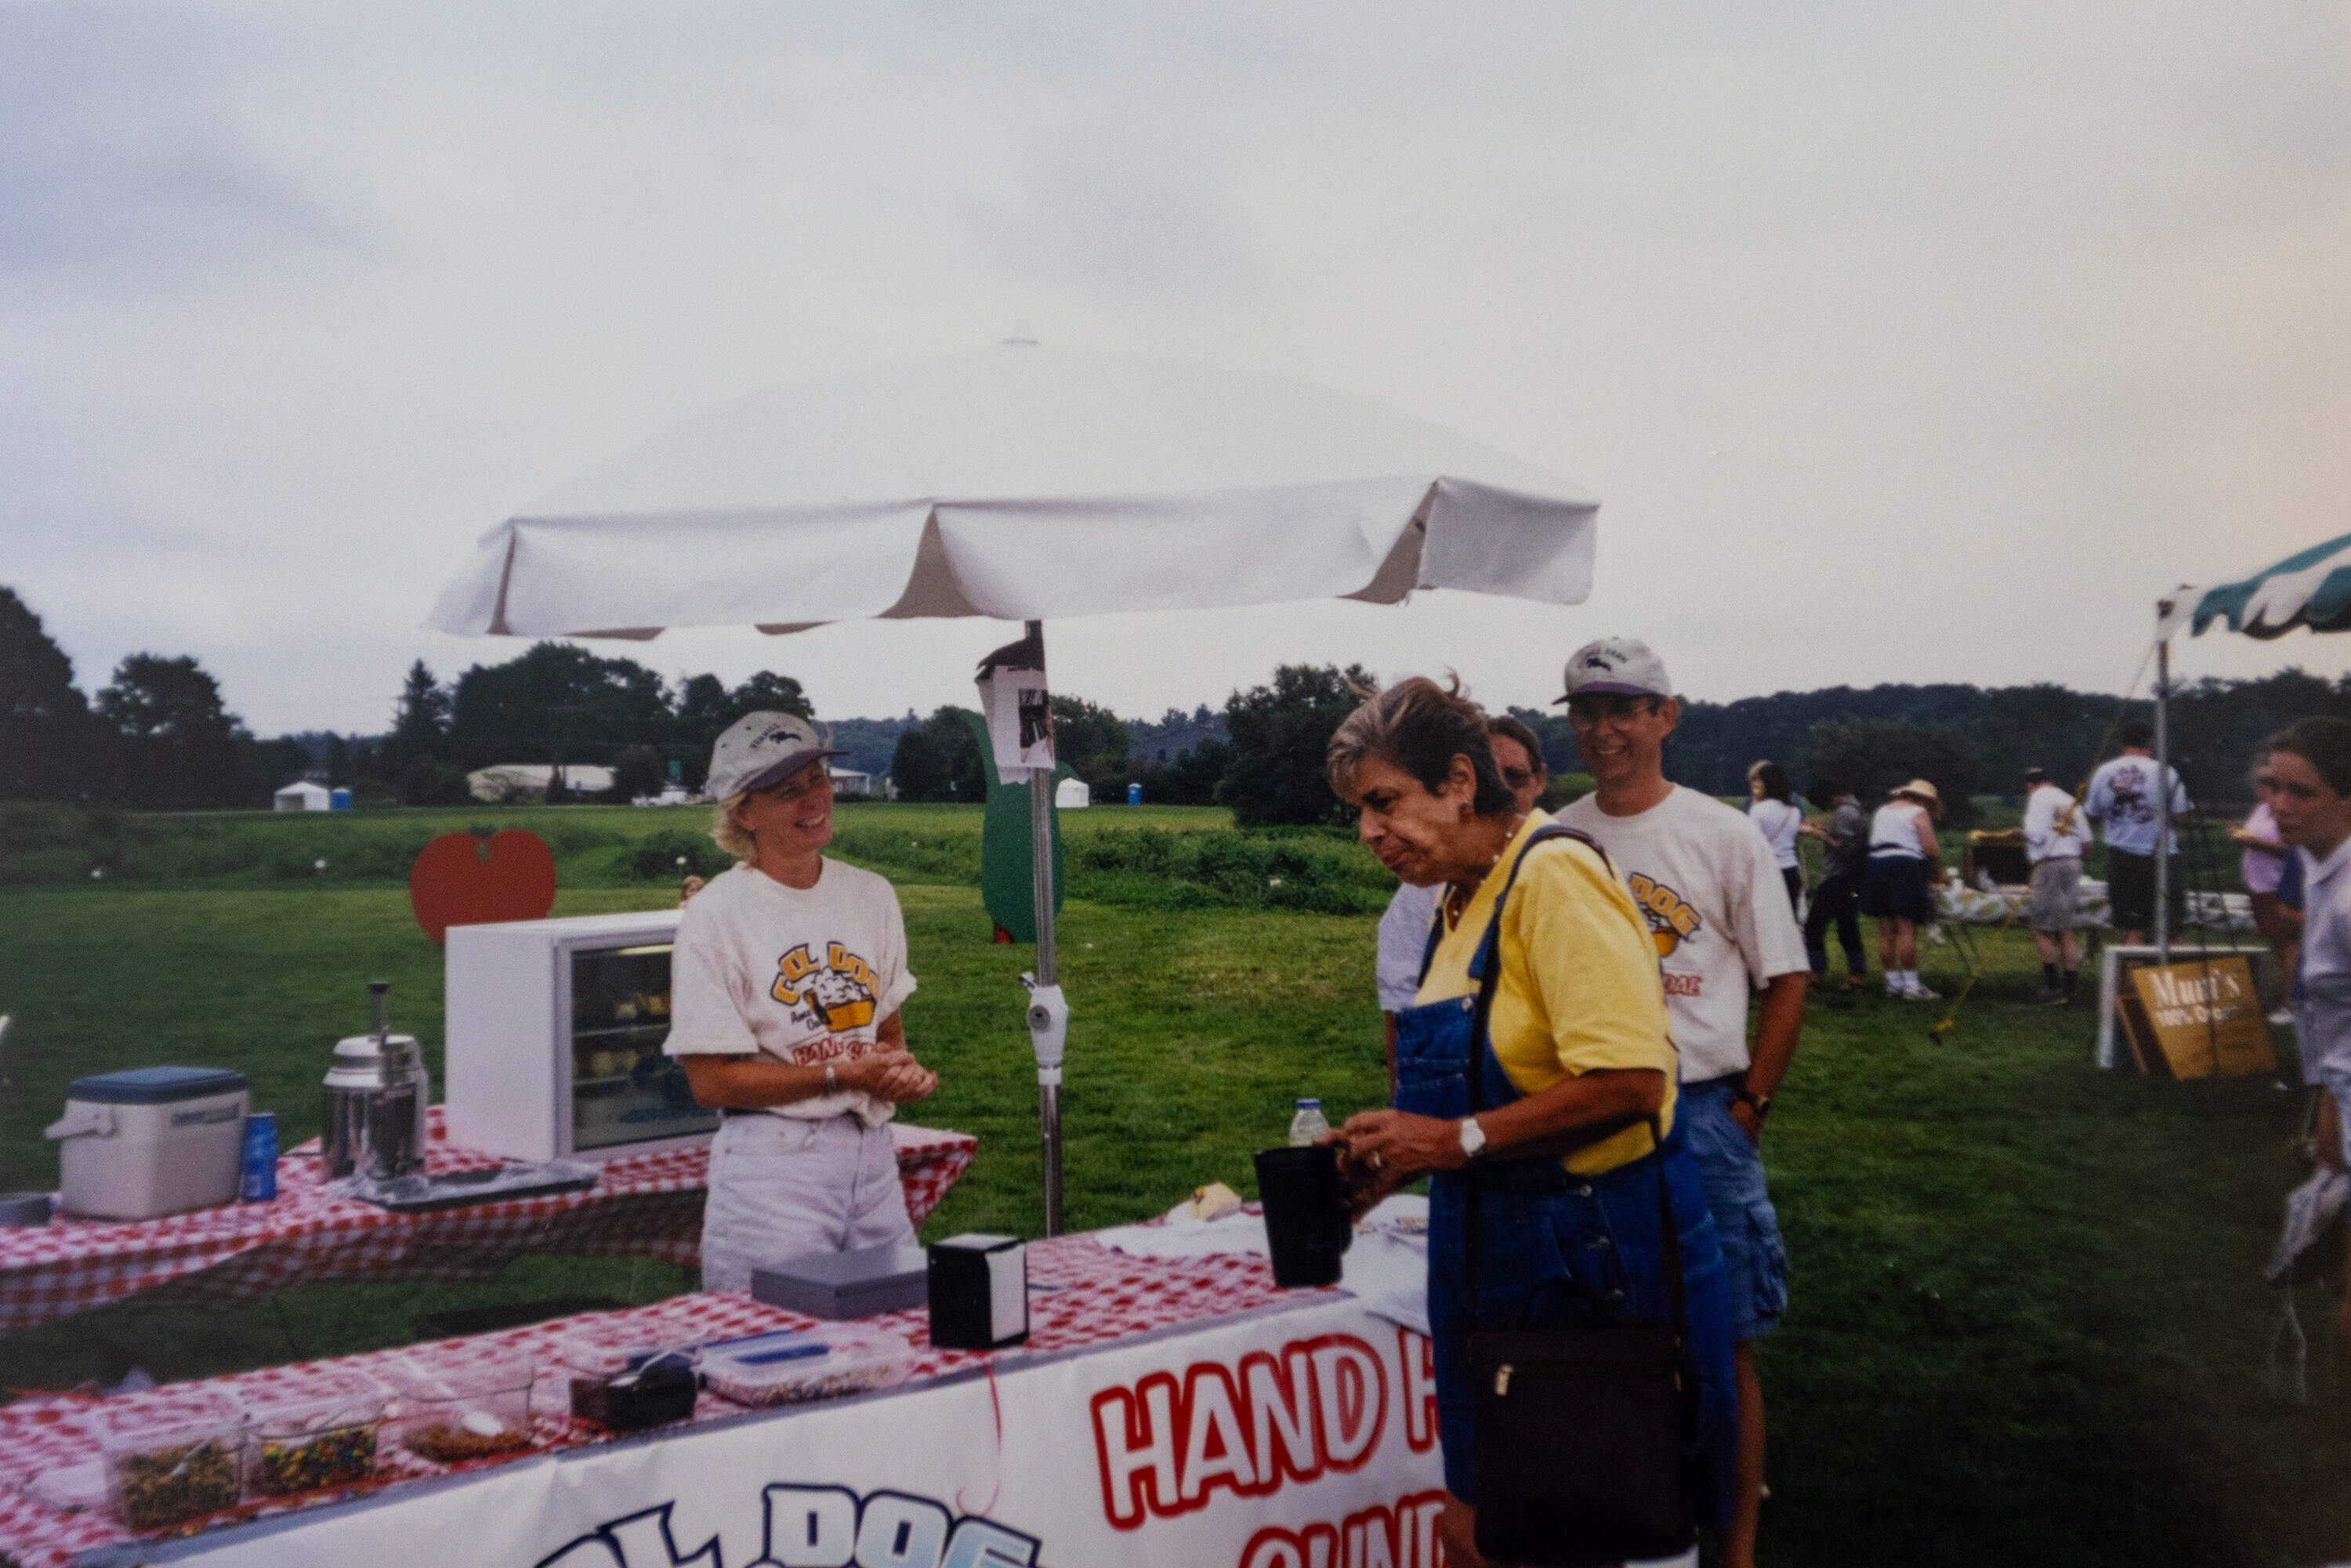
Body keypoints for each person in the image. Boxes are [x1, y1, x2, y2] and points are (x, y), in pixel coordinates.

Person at [1325, 676, 1736, 1568]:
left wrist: (1455, 1141)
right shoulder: (1457, 897)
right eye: (1361, 811)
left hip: (1587, 1262)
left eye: (1384, 802)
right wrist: (1394, 1155)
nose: (1368, 832)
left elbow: (1632, 1077)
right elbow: (1484, 1088)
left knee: (1591, 1524)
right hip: (1493, 1259)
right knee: (1483, 1529)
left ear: (1461, 779)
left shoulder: (1552, 877)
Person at [1552, 637, 1805, 1568]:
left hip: (1700, 1112)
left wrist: (1748, 1109)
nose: (1604, 729)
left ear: (1667, 715)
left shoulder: (1722, 832)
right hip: (1588, 1116)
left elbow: (1787, 977)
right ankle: (1632, 1526)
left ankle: (1735, 1547)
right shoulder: (1558, 835)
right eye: (1586, 711)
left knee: (1724, 1345)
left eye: (1624, 708)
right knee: (1608, 1338)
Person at [665, 712, 940, 1292]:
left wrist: (898, 1072)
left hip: (870, 1156)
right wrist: (841, 1073)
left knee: (897, 1331)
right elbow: (711, 1082)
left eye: (816, 779)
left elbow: (885, 1035)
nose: (814, 799)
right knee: (774, 1348)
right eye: (787, 791)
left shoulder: (870, 894)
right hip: (773, 1168)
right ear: (743, 812)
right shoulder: (717, 914)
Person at [1375, 715, 1547, 1093]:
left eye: (1514, 777)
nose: (1501, 791)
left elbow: (1625, 1081)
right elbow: (1400, 1008)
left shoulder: (1556, 874)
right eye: (1492, 778)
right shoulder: (1429, 889)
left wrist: (1465, 1138)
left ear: (1540, 782)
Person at [2259, 719, 2351, 1370]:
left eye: (2302, 792)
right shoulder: (2319, 868)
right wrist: (2327, 1097)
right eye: (2272, 786)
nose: (2279, 805)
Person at [2085, 720, 2193, 946]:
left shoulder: (2104, 772)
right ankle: (2177, 979)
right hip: (2164, 858)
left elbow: (2091, 816)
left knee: (2133, 930)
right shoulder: (2167, 772)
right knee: (2172, 931)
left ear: (2123, 744)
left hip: (2124, 860)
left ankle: (2131, 980)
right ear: (2151, 744)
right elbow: (2182, 818)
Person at [1860, 780, 1944, 1001]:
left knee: (1886, 931)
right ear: (1922, 799)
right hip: (1904, 864)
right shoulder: (1918, 812)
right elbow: (1931, 849)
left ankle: (1893, 984)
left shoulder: (1882, 811)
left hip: (1877, 863)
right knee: (1907, 928)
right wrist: (1938, 874)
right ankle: (1912, 986)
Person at [2234, 761, 2304, 1027]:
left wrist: (2253, 842)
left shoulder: (2282, 812)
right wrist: (2243, 838)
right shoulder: (2262, 810)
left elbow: (2289, 848)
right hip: (2258, 886)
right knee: (2278, 947)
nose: (2259, 791)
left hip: (2276, 886)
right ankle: (2287, 999)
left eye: (2262, 786)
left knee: (2288, 946)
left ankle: (2291, 1006)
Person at [2020, 766, 2092, 1005]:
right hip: (2073, 864)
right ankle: (2071, 989)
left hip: (2049, 864)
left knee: (2039, 927)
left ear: (2030, 786)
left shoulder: (2038, 798)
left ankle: (2053, 989)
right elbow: (2087, 843)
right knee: (2064, 928)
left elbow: (2037, 835)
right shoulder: (2069, 799)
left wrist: (2017, 834)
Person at [1799, 777, 1870, 990]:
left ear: (1834, 797)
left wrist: (1822, 835)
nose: (1826, 808)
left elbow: (1846, 848)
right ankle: (1856, 977)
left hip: (1837, 878)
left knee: (1814, 926)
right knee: (1847, 926)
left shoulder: (1844, 813)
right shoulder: (1856, 810)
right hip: (1853, 878)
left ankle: (1816, 975)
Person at [1746, 762, 1805, 916]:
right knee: (1790, 920)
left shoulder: (1757, 810)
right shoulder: (1794, 811)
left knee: (1768, 920)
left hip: (1768, 871)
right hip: (1791, 870)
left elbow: (1753, 843)